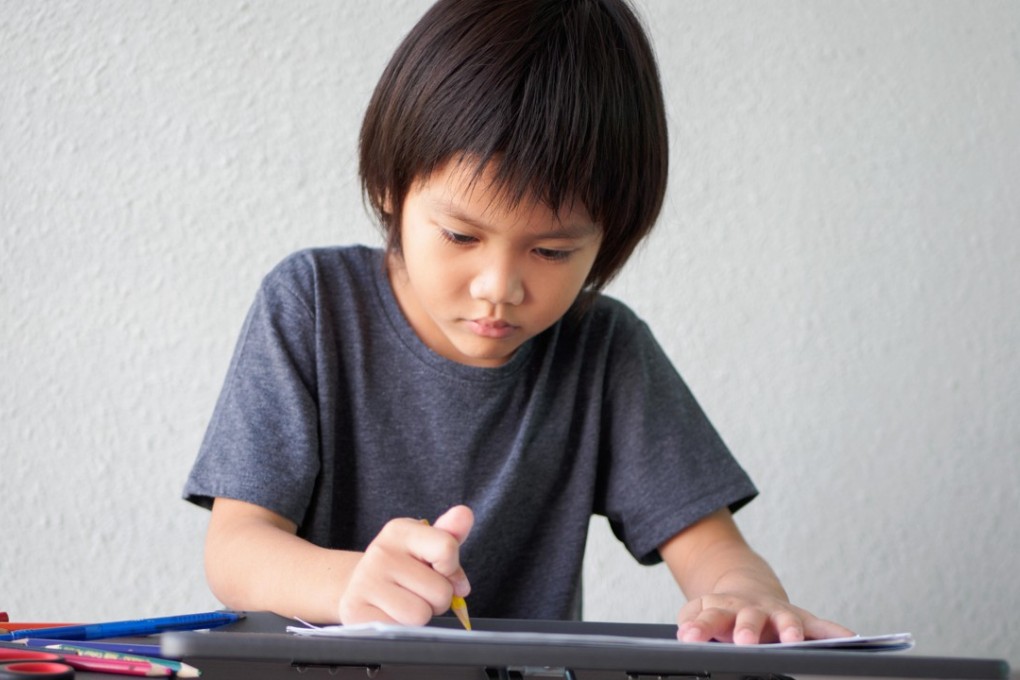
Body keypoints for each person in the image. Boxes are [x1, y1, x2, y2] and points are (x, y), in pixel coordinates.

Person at [183, 0, 853, 645]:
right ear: (391, 187)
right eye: (459, 235)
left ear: (609, 239)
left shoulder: (604, 351)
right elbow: (236, 551)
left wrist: (745, 599)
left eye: (552, 251)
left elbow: (715, 551)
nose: (498, 288)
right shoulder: (313, 305)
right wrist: (351, 582)